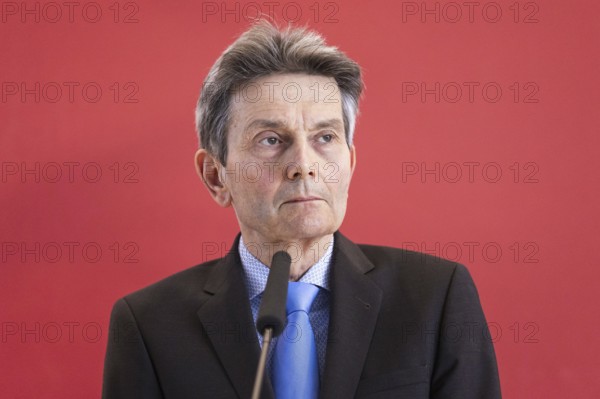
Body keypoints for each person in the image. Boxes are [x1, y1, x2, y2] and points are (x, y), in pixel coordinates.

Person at [102, 20, 501, 399]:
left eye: (325, 137)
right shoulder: (149, 324)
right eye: (272, 140)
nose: (304, 164)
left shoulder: (435, 297)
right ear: (216, 176)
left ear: (350, 163)